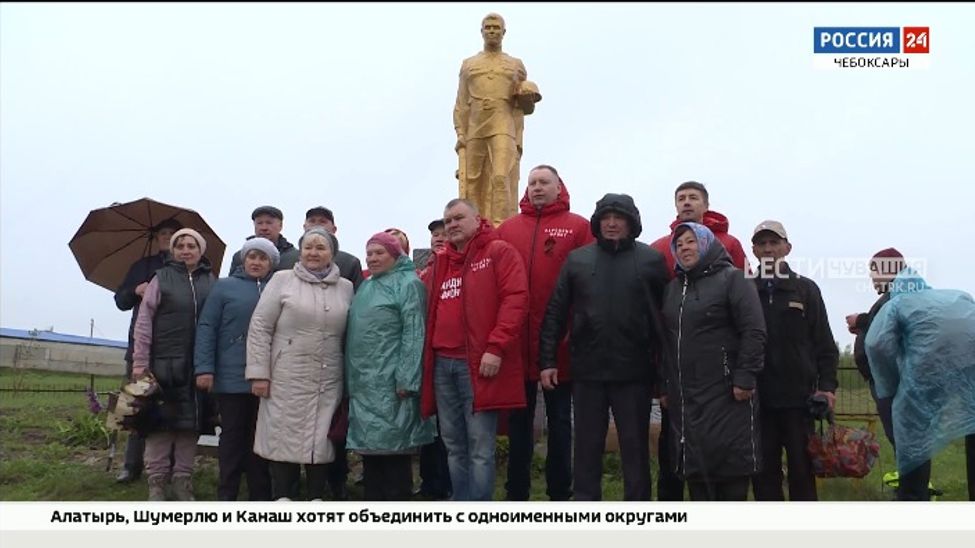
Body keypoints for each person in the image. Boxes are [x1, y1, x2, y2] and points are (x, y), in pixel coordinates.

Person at [539, 193, 668, 501]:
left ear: (631, 223)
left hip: (634, 372)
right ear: (597, 223)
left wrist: (665, 375)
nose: (611, 223)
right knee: (586, 448)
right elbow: (555, 312)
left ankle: (637, 512)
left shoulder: (651, 260)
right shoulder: (578, 259)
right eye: (606, 218)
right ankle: (587, 511)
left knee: (635, 449)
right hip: (588, 371)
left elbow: (665, 320)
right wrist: (547, 361)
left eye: (619, 217)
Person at [419, 198, 529, 501]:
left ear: (477, 220)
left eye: (458, 218)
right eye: (448, 220)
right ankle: (461, 505)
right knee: (453, 443)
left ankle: (479, 510)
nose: (452, 225)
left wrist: (496, 347)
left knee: (480, 446)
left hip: (477, 364)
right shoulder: (440, 262)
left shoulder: (498, 252)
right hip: (442, 364)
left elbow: (515, 300)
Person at [496, 164, 594, 501]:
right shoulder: (507, 229)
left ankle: (559, 492)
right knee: (519, 423)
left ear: (558, 187)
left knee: (561, 422)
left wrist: (575, 329)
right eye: (532, 183)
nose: (537, 188)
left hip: (561, 342)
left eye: (544, 183)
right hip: (518, 342)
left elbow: (589, 284)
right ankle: (516, 493)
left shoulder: (579, 227)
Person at [649, 180, 750, 501]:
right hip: (677, 366)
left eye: (694, 198)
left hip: (720, 369)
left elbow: (746, 307)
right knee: (674, 444)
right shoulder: (661, 246)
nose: (687, 202)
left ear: (706, 205)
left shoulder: (729, 245)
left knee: (719, 446)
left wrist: (741, 367)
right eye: (681, 198)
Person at [660, 222, 766, 501]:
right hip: (686, 395)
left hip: (727, 390)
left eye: (691, 241)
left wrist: (745, 376)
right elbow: (666, 341)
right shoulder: (673, 289)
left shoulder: (733, 279)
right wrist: (665, 384)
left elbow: (754, 330)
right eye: (679, 243)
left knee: (729, 468)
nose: (684, 247)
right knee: (696, 468)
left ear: (707, 244)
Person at [245, 227, 353, 501]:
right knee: (284, 434)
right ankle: (284, 496)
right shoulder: (282, 280)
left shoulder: (346, 287)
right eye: (308, 247)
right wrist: (259, 373)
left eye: (320, 247)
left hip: (328, 376)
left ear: (332, 253)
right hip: (286, 375)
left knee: (321, 436)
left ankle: (316, 496)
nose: (313, 253)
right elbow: (260, 327)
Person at [865, 264, 975, 501]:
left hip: (922, 379)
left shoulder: (897, 303)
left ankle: (913, 500)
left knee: (913, 440)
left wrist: (890, 385)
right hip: (969, 374)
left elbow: (876, 344)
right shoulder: (958, 296)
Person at [750, 221, 838, 501]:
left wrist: (827, 388)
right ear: (754, 250)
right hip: (757, 400)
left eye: (774, 243)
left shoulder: (806, 290)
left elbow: (824, 343)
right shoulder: (745, 290)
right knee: (764, 475)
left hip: (800, 400)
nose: (768, 249)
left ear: (787, 248)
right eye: (762, 244)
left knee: (802, 472)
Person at [345, 232, 435, 500]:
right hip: (365, 383)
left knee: (395, 451)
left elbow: (414, 332)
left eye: (379, 253)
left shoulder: (409, 284)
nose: (372, 258)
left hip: (392, 382)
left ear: (396, 255)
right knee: (371, 451)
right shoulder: (368, 285)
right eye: (369, 253)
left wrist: (408, 377)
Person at [132, 228, 216, 501]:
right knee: (160, 427)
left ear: (200, 250)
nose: (185, 250)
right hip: (162, 366)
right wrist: (139, 364)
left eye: (191, 245)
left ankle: (182, 481)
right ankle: (156, 483)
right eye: (179, 245)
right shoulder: (161, 279)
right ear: (172, 250)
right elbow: (143, 324)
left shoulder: (211, 282)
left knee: (188, 427)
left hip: (196, 366)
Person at [193, 237, 279, 501]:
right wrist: (204, 368)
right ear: (243, 260)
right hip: (231, 376)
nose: (256, 262)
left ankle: (259, 495)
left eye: (262, 258)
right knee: (232, 437)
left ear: (271, 263)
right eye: (252, 256)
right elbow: (207, 327)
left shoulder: (277, 288)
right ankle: (227, 494)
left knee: (260, 438)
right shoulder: (224, 287)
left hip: (268, 376)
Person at [454, 13, 540, 226]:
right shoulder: (468, 65)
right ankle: (473, 227)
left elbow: (524, 106)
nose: (492, 31)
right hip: (475, 126)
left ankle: (502, 226)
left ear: (503, 32)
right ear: (482, 31)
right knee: (472, 181)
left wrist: (528, 96)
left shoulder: (515, 64)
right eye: (488, 27)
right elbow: (461, 102)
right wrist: (461, 134)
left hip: (503, 125)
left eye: (496, 27)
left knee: (501, 176)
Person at [113, 217, 181, 484]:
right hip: (140, 347)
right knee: (135, 405)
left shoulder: (186, 268)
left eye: (172, 234)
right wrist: (135, 290)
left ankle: (170, 468)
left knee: (172, 409)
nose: (167, 237)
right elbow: (120, 300)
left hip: (173, 349)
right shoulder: (141, 266)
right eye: (163, 233)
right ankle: (131, 466)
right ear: (156, 237)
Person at [302, 205, 363, 499]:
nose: (318, 227)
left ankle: (336, 481)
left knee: (332, 425)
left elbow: (356, 311)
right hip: (297, 360)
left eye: (323, 223)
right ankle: (298, 482)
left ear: (334, 229)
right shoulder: (288, 262)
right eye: (312, 222)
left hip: (335, 357)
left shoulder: (349, 264)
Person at [847, 248, 906, 450]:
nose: (871, 276)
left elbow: (892, 326)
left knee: (902, 435)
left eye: (874, 269)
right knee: (897, 434)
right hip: (884, 380)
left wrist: (862, 321)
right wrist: (864, 327)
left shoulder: (899, 294)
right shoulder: (894, 294)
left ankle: (913, 481)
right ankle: (910, 479)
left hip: (891, 381)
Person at [416, 219, 453, 499]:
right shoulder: (423, 271)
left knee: (447, 426)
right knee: (428, 424)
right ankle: (430, 483)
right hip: (424, 354)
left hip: (448, 353)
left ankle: (446, 484)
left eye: (443, 234)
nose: (439, 238)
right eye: (434, 235)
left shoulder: (453, 266)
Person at [229, 206, 299, 272]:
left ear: (280, 226)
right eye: (259, 223)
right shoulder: (240, 257)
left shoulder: (294, 257)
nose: (264, 228)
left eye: (269, 223)